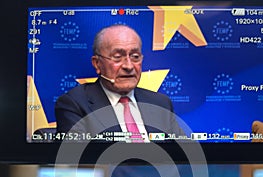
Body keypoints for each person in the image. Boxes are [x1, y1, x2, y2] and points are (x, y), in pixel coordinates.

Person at [55, 24, 184, 141]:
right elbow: (78, 160)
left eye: (135, 57)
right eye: (117, 57)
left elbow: (184, 155)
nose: (129, 66)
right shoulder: (74, 104)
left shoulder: (160, 103)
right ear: (97, 63)